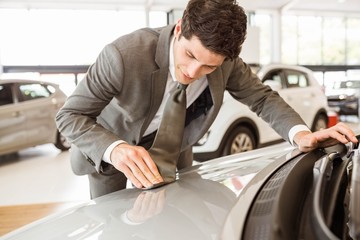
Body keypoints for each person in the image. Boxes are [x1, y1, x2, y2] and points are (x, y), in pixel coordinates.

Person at [56, 0, 358, 199]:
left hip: (175, 154)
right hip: (112, 154)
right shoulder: (123, 55)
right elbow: (69, 116)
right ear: (179, 28)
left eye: (209, 67)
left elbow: (262, 98)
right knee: (115, 227)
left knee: (173, 219)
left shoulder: (227, 63)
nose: (192, 72)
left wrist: (301, 134)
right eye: (189, 55)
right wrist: (116, 149)